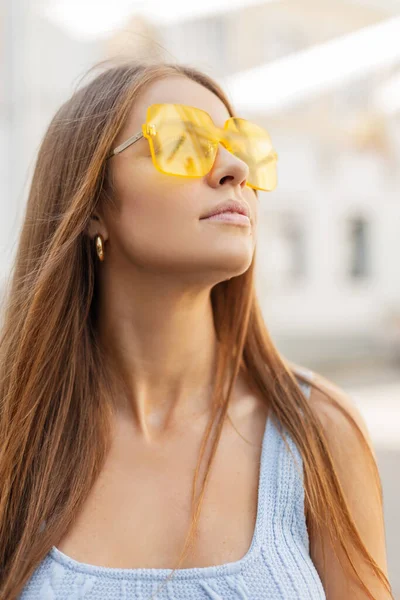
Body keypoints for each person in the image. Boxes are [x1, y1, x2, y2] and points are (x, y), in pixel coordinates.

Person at [0, 60, 392, 600]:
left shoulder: (319, 432)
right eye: (183, 141)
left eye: (243, 146)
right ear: (91, 202)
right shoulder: (13, 437)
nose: (234, 168)